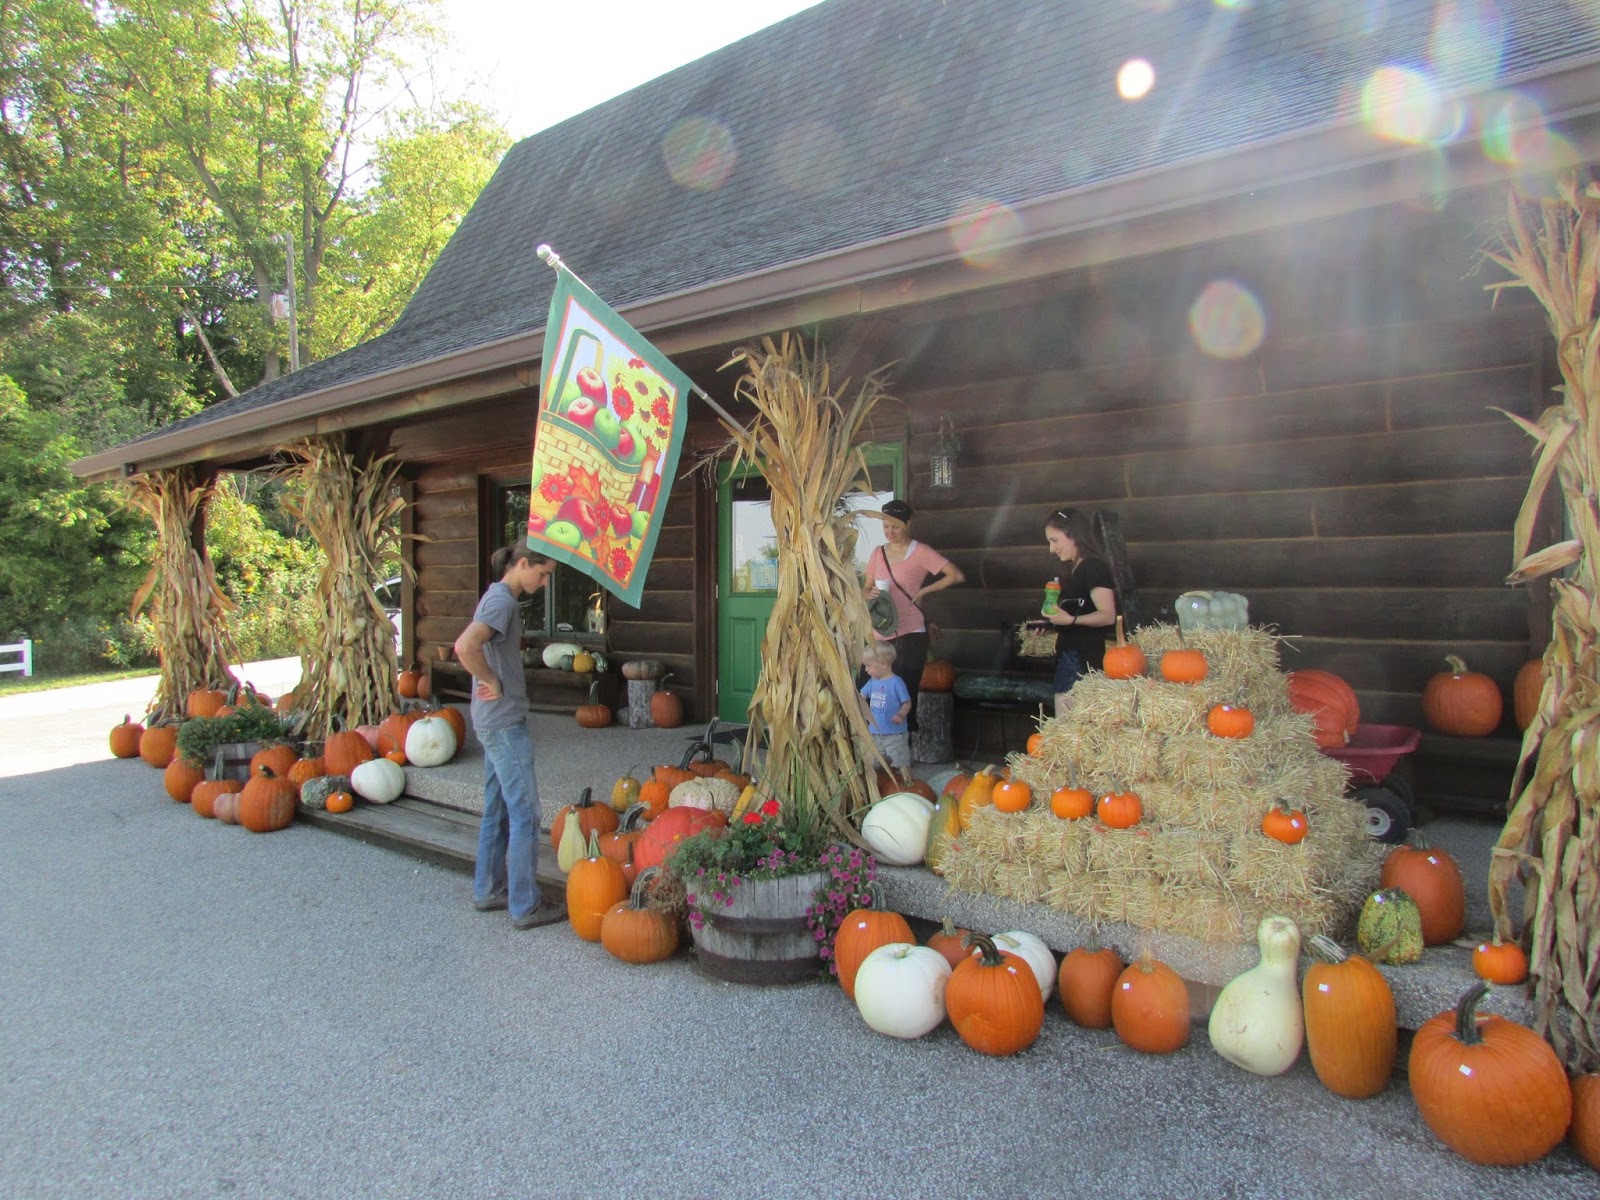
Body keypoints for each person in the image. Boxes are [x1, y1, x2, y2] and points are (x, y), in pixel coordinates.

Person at [453, 543, 568, 929]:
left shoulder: (497, 597)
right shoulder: (503, 602)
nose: (545, 581)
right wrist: (489, 679)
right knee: (526, 813)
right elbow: (465, 646)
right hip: (502, 724)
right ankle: (524, 905)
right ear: (522, 564)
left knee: (498, 807)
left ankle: (488, 890)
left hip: (491, 720)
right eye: (543, 572)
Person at [862, 498, 964, 734]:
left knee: (903, 694)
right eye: (886, 526)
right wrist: (870, 593)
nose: (890, 532)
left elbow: (955, 575)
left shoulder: (921, 552)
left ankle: (902, 755)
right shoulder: (878, 553)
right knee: (868, 690)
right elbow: (865, 587)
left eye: (895, 526)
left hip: (911, 633)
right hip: (880, 633)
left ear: (908, 523)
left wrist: (924, 591)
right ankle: (875, 748)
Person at [1040, 507, 1117, 716]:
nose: (1051, 549)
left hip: (1083, 659)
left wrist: (1070, 620)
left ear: (1073, 535)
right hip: (1069, 656)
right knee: (1064, 724)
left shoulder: (1094, 567)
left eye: (1054, 540)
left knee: (1067, 725)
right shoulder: (1074, 569)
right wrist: (1050, 624)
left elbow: (1108, 614)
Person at [859, 642, 912, 770]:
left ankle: (904, 781)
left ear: (882, 664)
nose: (866, 669)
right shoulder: (872, 682)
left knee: (900, 762)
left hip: (895, 733)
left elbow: (907, 703)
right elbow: (861, 696)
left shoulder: (896, 683)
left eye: (868, 666)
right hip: (875, 732)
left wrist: (900, 714)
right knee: (874, 763)